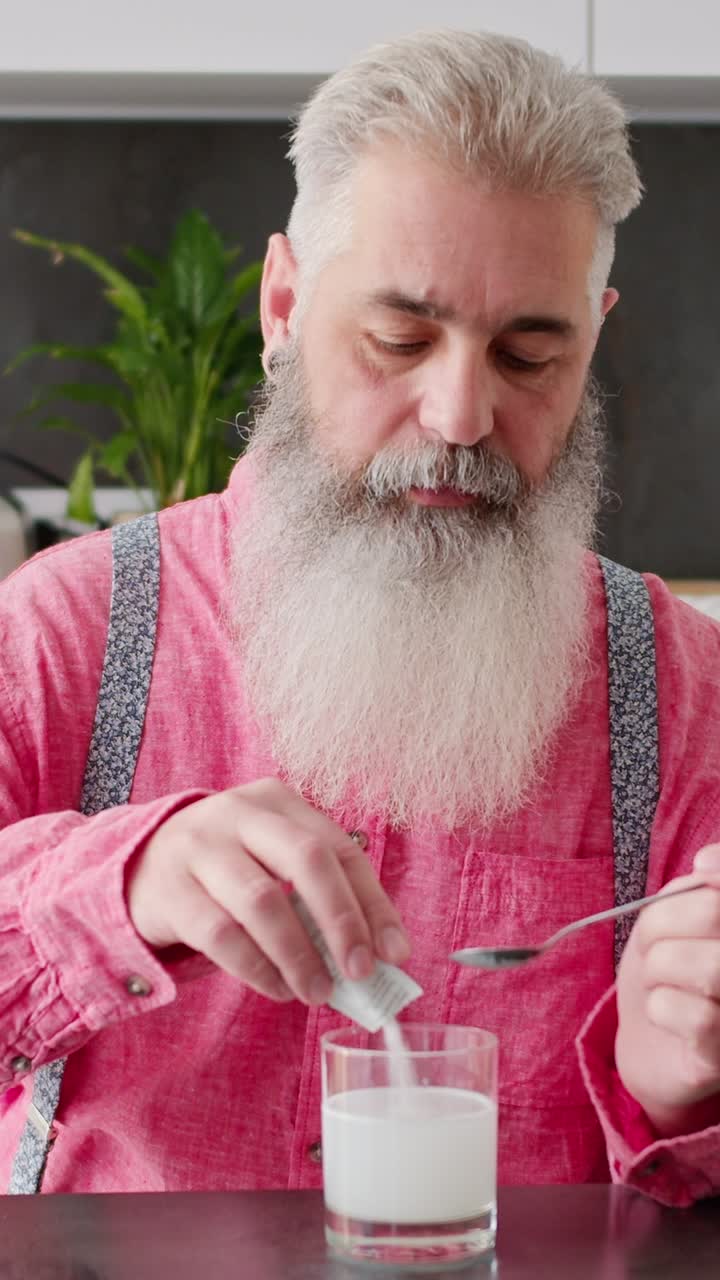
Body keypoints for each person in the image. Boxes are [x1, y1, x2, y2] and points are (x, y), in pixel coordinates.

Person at [2, 28, 720, 1205]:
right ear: (285, 304)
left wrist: (686, 1093)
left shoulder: (686, 693)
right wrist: (116, 886)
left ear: (594, 336)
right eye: (399, 339)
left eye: (531, 355)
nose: (458, 412)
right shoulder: (64, 633)